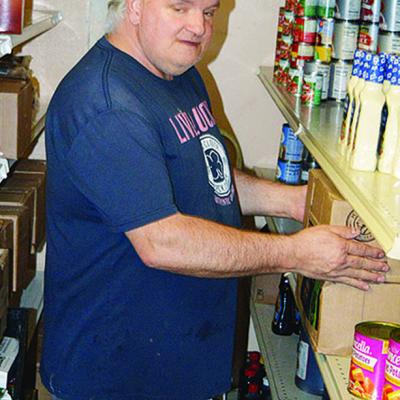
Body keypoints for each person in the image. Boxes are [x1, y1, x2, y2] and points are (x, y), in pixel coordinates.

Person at [40, 1, 388, 399]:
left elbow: (208, 177)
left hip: (176, 366)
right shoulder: (105, 104)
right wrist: (295, 252)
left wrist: (294, 201)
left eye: (208, 11)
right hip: (118, 378)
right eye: (180, 8)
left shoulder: (176, 73)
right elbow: (162, 242)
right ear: (134, 7)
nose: (199, 27)